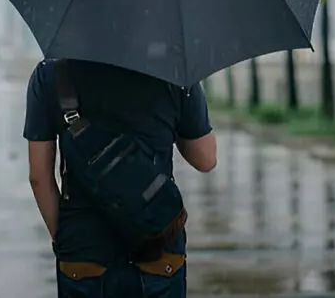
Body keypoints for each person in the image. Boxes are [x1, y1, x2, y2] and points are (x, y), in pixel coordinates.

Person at [24, 58, 217, 298]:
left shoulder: (52, 73)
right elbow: (206, 159)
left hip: (83, 254)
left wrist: (66, 242)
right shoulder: (175, 70)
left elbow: (39, 177)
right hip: (157, 250)